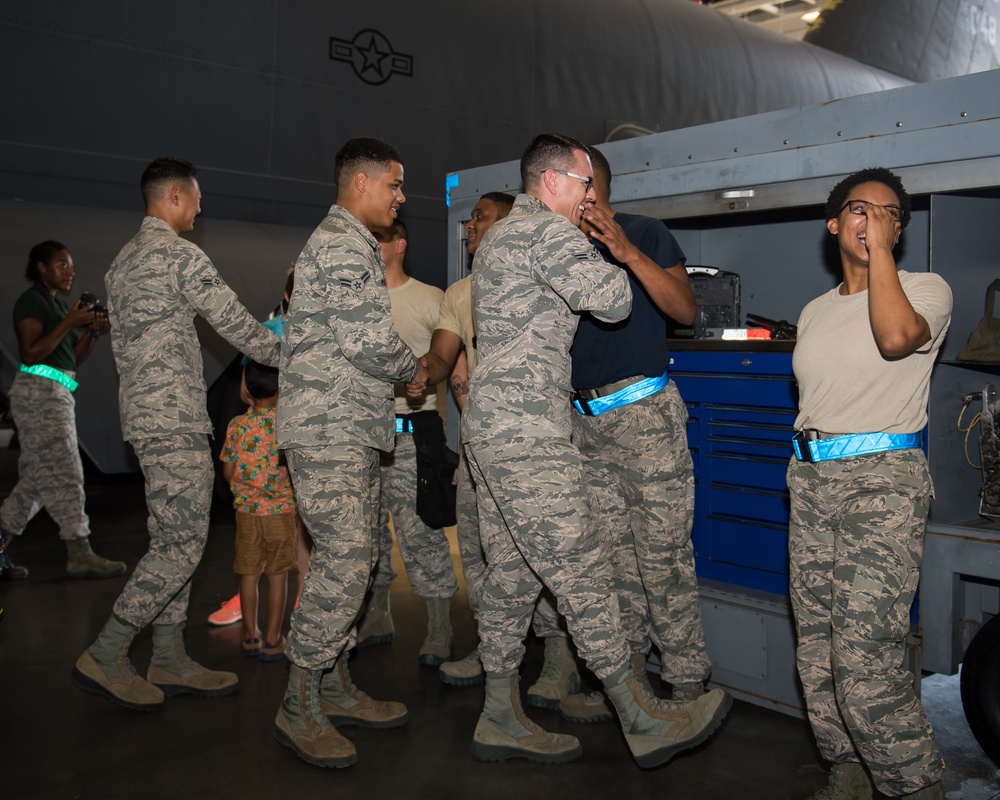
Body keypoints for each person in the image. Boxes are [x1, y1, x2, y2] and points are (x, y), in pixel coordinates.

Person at [461, 132, 731, 766]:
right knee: (583, 568)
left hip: (492, 427)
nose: (591, 195)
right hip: (530, 431)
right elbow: (611, 302)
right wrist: (605, 253)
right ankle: (637, 713)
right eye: (584, 184)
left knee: (514, 574)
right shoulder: (549, 233)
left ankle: (499, 710)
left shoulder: (498, 236)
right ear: (555, 182)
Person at [72, 156, 281, 711]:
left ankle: (167, 656)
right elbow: (236, 324)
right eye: (195, 198)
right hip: (176, 422)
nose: (200, 207)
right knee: (183, 545)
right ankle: (108, 650)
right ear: (173, 199)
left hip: (144, 422)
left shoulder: (121, 264)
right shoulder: (180, 257)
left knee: (172, 539)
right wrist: (291, 354)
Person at [788, 168, 951, 800]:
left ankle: (914, 787)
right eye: (860, 210)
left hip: (882, 483)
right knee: (818, 648)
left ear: (899, 232)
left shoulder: (925, 290)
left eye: (890, 216)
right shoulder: (813, 310)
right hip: (810, 481)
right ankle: (846, 769)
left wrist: (879, 251)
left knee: (865, 656)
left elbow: (893, 339)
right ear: (833, 224)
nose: (874, 221)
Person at [273, 137, 429, 769]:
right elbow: (367, 341)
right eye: (394, 185)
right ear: (360, 182)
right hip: (329, 428)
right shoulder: (341, 243)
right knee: (345, 558)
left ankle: (332, 686)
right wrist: (412, 372)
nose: (400, 197)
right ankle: (297, 702)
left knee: (357, 559)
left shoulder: (352, 243)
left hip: (351, 427)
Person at [560, 146, 708, 723]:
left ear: (590, 186)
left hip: (643, 417)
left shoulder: (646, 231)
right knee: (609, 563)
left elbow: (685, 311)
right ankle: (626, 681)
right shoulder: (559, 250)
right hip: (582, 423)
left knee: (663, 559)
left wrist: (623, 250)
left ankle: (687, 682)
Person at [420, 193, 579, 704]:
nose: (470, 227)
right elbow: (444, 356)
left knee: (541, 550)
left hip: (532, 441)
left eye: (482, 217)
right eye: (469, 220)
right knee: (477, 548)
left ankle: (558, 657)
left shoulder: (537, 272)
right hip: (480, 445)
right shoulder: (460, 291)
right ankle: (495, 652)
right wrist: (417, 371)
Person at [355, 219, 459, 665]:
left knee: (422, 534)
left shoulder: (430, 298)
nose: (370, 249)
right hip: (364, 437)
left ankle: (439, 625)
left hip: (414, 435)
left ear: (400, 244)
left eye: (377, 241)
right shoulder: (358, 301)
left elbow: (452, 361)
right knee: (368, 532)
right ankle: (378, 614)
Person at [0, 241, 124, 581]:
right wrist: (69, 323)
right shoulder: (33, 302)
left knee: (37, 483)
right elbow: (31, 353)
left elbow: (73, 359)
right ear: (41, 267)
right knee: (67, 470)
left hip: (58, 392)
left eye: (71, 266)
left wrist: (92, 333)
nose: (70, 272)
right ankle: (79, 551)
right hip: (39, 395)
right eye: (62, 265)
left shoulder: (59, 307)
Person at [208, 266, 312, 626]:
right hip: (272, 446)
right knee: (261, 530)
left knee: (302, 528)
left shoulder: (328, 338)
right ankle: (247, 599)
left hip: (310, 444)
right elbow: (245, 389)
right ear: (287, 297)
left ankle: (302, 600)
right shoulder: (269, 334)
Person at [219, 359, 295, 661]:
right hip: (281, 511)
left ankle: (251, 636)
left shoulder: (238, 425)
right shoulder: (287, 424)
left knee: (248, 574)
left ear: (246, 388)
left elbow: (228, 473)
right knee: (278, 576)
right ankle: (274, 638)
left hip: (247, 512)